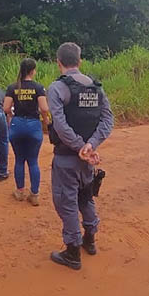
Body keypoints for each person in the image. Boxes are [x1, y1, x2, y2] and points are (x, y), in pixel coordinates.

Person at [46, 42, 113, 270]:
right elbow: (107, 121)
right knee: (85, 197)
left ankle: (73, 252)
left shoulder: (57, 88)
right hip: (87, 159)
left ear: (58, 62)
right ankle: (90, 239)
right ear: (80, 61)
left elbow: (60, 124)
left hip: (67, 157)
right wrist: (90, 145)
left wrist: (79, 147)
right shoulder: (96, 87)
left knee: (67, 202)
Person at [3, 58, 50, 206]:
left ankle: (20, 191)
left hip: (17, 125)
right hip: (33, 125)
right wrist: (45, 121)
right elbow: (44, 108)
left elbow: (5, 108)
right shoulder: (38, 87)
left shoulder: (12, 87)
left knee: (19, 160)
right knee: (33, 161)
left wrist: (11, 116)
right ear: (33, 70)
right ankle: (34, 195)